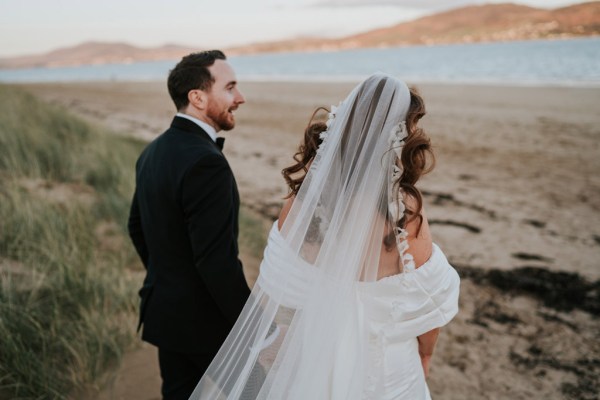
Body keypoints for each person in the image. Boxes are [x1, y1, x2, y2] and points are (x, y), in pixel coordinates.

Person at [189, 73, 460, 399]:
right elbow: (429, 300)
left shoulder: (301, 202)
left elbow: (274, 288)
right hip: (387, 374)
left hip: (308, 362)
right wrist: (426, 354)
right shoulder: (405, 210)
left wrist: (283, 336)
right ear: (401, 134)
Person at [127, 50, 251, 400]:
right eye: (230, 88)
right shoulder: (206, 163)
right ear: (198, 97)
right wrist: (253, 330)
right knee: (259, 391)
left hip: (166, 316)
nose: (240, 98)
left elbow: (137, 226)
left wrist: (169, 280)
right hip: (207, 322)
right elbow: (217, 262)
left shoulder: (152, 152)